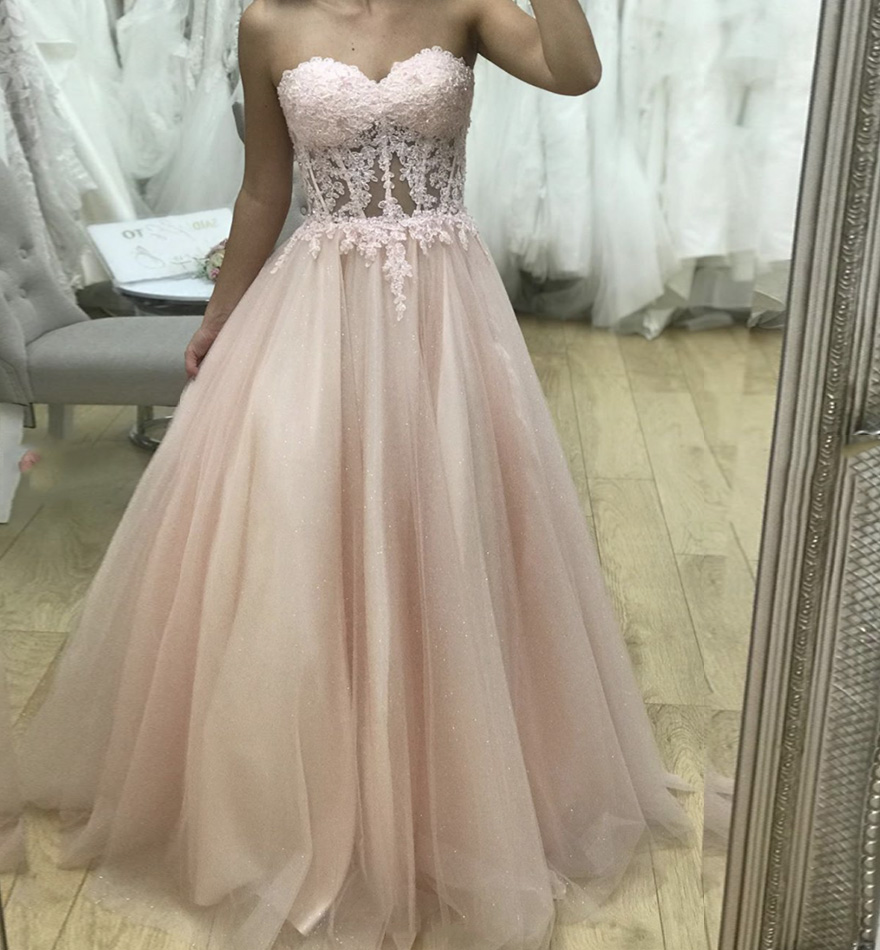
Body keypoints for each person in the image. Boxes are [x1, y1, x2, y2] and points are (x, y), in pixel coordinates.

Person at [17, 2, 692, 949]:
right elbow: (264, 190)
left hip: (445, 310)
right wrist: (219, 316)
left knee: (448, 523)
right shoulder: (268, 20)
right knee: (303, 531)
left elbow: (575, 73)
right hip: (320, 301)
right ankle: (304, 793)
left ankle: (457, 787)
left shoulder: (467, 4)